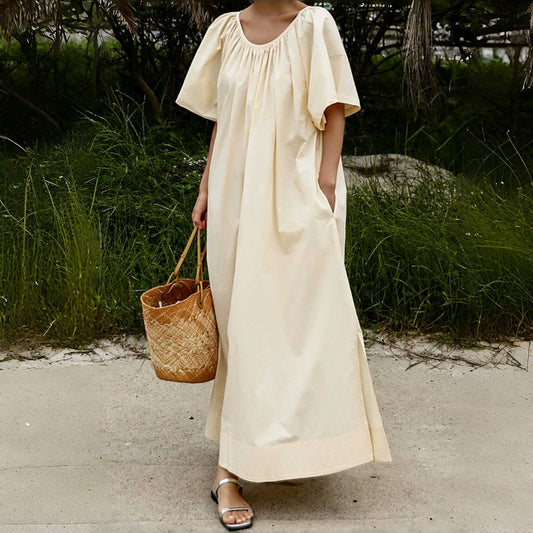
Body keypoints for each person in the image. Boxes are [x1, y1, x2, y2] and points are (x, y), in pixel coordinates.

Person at [176, 1, 392, 530]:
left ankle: (292, 446)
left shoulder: (315, 25)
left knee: (305, 325)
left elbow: (334, 111)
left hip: (298, 198)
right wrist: (205, 188)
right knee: (242, 328)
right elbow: (224, 121)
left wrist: (324, 190)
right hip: (234, 198)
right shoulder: (226, 31)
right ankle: (228, 470)